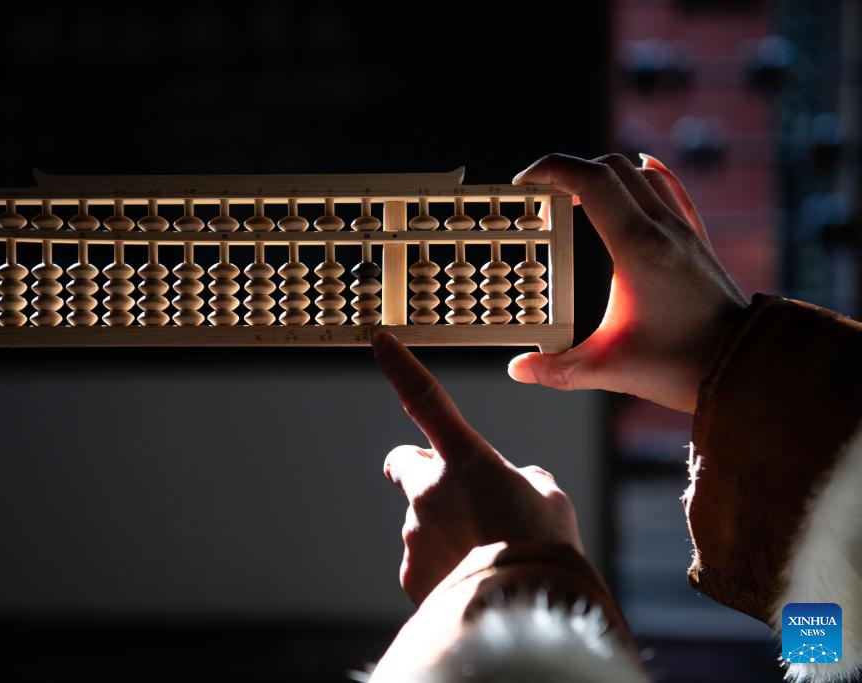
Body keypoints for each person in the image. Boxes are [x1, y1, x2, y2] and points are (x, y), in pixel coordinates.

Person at [365, 153, 861, 683]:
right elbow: (831, 633)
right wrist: (731, 360)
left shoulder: (826, 624)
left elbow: (831, 635)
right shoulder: (826, 625)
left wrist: (504, 591)